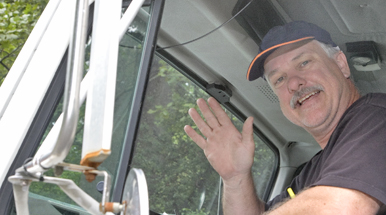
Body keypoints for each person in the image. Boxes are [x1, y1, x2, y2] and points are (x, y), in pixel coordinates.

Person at [184, 21, 386, 214]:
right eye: (279, 79)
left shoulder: (378, 117)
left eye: (304, 63)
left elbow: (340, 209)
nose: (293, 83)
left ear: (341, 64)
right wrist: (236, 178)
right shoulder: (311, 172)